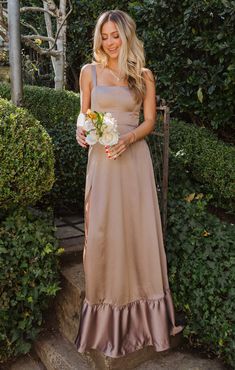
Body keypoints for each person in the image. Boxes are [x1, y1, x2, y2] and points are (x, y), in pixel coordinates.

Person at [75, 9, 184, 358]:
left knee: (138, 233)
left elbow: (150, 120)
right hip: (102, 164)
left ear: (126, 36)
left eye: (115, 35)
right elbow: (84, 113)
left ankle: (146, 322)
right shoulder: (88, 72)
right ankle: (106, 322)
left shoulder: (143, 75)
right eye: (104, 36)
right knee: (105, 232)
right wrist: (81, 130)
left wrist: (129, 139)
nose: (109, 42)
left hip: (133, 160)